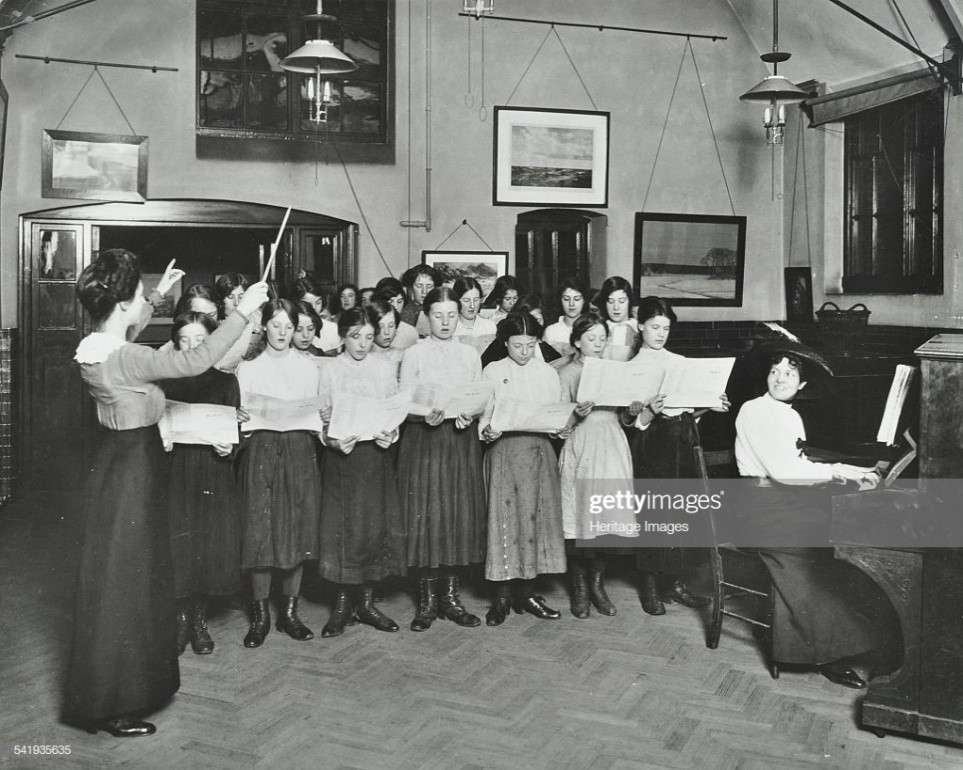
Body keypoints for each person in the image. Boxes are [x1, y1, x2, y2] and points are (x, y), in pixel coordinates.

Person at [67, 249, 267, 737]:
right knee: (128, 586)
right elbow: (197, 359)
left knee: (121, 581)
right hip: (134, 469)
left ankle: (110, 693)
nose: (143, 304)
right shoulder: (132, 359)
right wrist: (244, 311)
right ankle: (115, 705)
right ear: (121, 303)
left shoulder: (93, 346)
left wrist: (154, 298)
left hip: (117, 465)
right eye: (138, 297)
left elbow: (125, 332)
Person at [733, 341, 899, 688]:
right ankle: (832, 650)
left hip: (777, 505)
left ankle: (831, 641)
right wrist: (838, 474)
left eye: (790, 373)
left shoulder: (788, 414)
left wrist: (850, 470)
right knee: (821, 550)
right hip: (760, 511)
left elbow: (798, 463)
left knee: (835, 542)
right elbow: (785, 473)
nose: (780, 378)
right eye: (775, 370)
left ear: (802, 384)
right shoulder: (753, 410)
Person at [625, 296, 728, 615]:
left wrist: (708, 405)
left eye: (666, 328)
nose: (660, 334)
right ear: (640, 325)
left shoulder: (679, 361)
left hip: (684, 441)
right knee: (656, 514)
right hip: (653, 445)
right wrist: (649, 413)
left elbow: (688, 412)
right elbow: (632, 424)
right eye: (654, 327)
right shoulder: (631, 368)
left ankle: (677, 584)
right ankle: (652, 586)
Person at [235, 298, 323, 648]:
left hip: (300, 450)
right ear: (265, 327)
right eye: (277, 326)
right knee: (261, 528)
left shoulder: (309, 366)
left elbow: (315, 414)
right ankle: (260, 616)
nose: (284, 333)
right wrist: (240, 418)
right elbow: (241, 417)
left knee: (296, 528)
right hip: (261, 450)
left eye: (290, 326)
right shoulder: (249, 368)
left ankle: (290, 613)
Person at [398, 286, 487, 631]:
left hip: (459, 440)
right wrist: (422, 415)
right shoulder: (415, 353)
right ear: (426, 315)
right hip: (425, 440)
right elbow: (404, 402)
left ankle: (450, 598)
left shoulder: (468, 354)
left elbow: (477, 395)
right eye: (438, 315)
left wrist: (470, 414)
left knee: (455, 516)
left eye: (452, 315)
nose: (446, 322)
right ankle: (427, 601)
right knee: (428, 517)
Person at [316, 307, 407, 637]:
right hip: (343, 459)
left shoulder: (384, 368)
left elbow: (393, 411)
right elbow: (319, 419)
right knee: (344, 528)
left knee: (372, 527)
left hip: (374, 457)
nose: (363, 344)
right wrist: (332, 440)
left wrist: (390, 434)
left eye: (369, 337)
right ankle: (341, 605)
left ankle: (366, 604)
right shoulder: (330, 369)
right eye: (356, 337)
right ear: (342, 336)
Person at [161, 312, 243, 657]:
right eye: (185, 339)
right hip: (175, 471)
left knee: (207, 546)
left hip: (212, 472)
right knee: (178, 545)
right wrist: (160, 439)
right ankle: (180, 619)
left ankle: (199, 620)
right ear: (175, 343)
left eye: (200, 340)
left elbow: (236, 435)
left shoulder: (226, 382)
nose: (193, 346)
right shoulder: (163, 380)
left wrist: (230, 447)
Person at [480, 313, 567, 625]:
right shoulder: (492, 370)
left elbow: (555, 412)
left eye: (530, 345)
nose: (524, 352)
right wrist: (487, 429)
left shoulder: (547, 373)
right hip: (503, 451)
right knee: (504, 519)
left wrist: (560, 428)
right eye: (518, 346)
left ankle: (527, 592)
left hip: (538, 451)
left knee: (534, 520)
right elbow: (485, 414)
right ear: (505, 343)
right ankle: (501, 597)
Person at [557, 311, 636, 618]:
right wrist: (575, 413)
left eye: (603, 339)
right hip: (582, 445)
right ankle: (578, 589)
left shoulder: (614, 369)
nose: (598, 344)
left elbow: (625, 418)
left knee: (606, 516)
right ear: (577, 341)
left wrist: (631, 410)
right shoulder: (567, 373)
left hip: (612, 443)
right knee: (580, 518)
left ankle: (597, 586)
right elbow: (557, 422)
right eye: (591, 338)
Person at [291, 274, 341, 355]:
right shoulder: (289, 328)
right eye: (308, 303)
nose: (314, 308)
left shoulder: (332, 329)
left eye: (318, 302)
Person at [595, 276, 638, 362]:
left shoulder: (638, 329)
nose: (616, 307)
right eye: (610, 301)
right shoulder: (598, 328)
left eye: (621, 301)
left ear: (629, 301)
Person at [543, 277, 589, 356]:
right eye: (566, 299)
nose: (571, 304)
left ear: (584, 300)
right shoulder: (551, 331)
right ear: (560, 300)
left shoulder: (591, 329)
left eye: (577, 299)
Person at [372, 283, 418, 350]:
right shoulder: (368, 329)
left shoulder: (410, 332)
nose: (395, 307)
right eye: (391, 301)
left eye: (399, 301)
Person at [367, 297, 406, 377]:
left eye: (391, 326)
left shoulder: (404, 356)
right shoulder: (363, 358)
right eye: (381, 327)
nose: (387, 332)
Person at [399, 265, 440, 335]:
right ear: (411, 287)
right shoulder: (406, 313)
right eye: (419, 286)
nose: (424, 291)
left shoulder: (441, 308)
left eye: (429, 286)